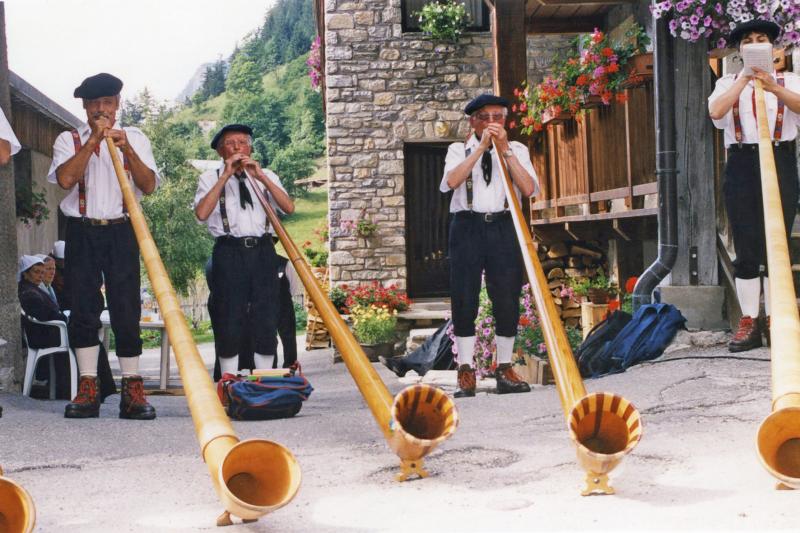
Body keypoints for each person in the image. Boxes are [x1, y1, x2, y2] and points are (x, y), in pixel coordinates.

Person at [48, 73, 160, 419]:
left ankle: (132, 388)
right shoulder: (68, 139)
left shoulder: (136, 138)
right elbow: (66, 180)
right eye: (94, 104)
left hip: (122, 229)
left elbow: (149, 185)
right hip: (82, 230)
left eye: (107, 103)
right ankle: (88, 387)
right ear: (84, 107)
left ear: (117, 104)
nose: (101, 109)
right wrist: (94, 140)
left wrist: (125, 147)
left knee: (126, 308)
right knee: (83, 308)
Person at [708, 20, 800, 352]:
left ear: (774, 48)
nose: (756, 43)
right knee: (746, 241)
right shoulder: (726, 82)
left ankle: (778, 318)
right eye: (748, 41)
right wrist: (746, 77)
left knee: (777, 240)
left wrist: (773, 87)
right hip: (742, 162)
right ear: (740, 50)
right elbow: (716, 113)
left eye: (762, 39)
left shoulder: (790, 80)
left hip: (780, 158)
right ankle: (749, 320)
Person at [441, 94, 538, 397]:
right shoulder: (458, 149)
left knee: (507, 295)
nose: (493, 123)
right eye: (486, 117)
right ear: (472, 122)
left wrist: (505, 152)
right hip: (467, 225)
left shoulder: (517, 149)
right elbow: (452, 182)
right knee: (464, 295)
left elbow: (529, 189)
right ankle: (466, 369)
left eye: (499, 117)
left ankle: (505, 367)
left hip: (503, 224)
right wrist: (481, 148)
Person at [194, 124, 295, 378]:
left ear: (250, 147)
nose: (238, 147)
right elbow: (202, 213)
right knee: (229, 315)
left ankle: (264, 379)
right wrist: (225, 176)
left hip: (263, 249)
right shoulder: (210, 177)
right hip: (229, 250)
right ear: (221, 151)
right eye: (231, 143)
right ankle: (227, 380)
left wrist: (261, 177)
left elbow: (288, 207)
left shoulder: (266, 174)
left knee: (266, 315)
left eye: (243, 142)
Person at [51, 240, 69, 311]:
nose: (62, 263)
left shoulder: (71, 266)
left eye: (64, 260)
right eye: (60, 260)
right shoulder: (50, 266)